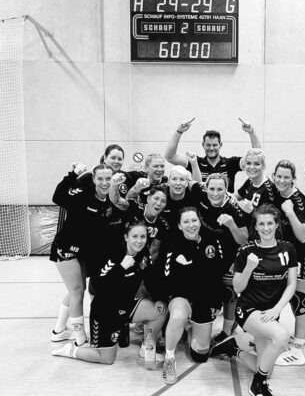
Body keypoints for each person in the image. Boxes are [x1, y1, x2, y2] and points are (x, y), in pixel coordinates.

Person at [51, 220, 167, 365]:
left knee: (160, 311)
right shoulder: (113, 253)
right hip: (105, 312)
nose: (139, 241)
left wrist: (159, 298)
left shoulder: (143, 254)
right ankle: (70, 351)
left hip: (127, 305)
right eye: (135, 236)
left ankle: (146, 349)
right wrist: (121, 268)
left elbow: (150, 279)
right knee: (106, 359)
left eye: (142, 237)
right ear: (126, 237)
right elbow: (99, 286)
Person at [214, 204, 297, 396]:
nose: (266, 228)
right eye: (261, 224)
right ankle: (258, 384)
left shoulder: (288, 249)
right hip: (248, 310)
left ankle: (233, 349)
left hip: (271, 313)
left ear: (277, 225)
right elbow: (237, 288)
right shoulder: (246, 251)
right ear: (256, 227)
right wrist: (249, 268)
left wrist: (277, 309)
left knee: (265, 367)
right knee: (282, 336)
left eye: (270, 223)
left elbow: (292, 284)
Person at [49, 163, 126, 346]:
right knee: (77, 291)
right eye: (100, 178)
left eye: (108, 179)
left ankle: (59, 330)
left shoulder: (110, 202)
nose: (104, 182)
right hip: (66, 248)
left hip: (84, 253)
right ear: (93, 179)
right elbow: (58, 197)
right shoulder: (83, 195)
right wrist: (72, 174)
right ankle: (80, 340)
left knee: (76, 289)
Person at [157, 207, 226, 385]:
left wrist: (216, 301)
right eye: (186, 222)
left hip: (204, 298)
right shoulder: (172, 243)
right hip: (181, 296)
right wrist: (164, 298)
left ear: (200, 222)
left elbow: (217, 272)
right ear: (179, 226)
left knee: (200, 355)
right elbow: (166, 277)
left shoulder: (212, 241)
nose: (191, 225)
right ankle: (169, 358)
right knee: (178, 315)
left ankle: (188, 329)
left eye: (194, 220)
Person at [189, 173, 249, 355]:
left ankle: (226, 330)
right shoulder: (199, 191)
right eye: (212, 189)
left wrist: (231, 225)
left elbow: (244, 239)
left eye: (220, 189)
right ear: (206, 188)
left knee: (229, 290)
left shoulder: (233, 208)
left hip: (228, 253)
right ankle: (194, 321)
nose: (215, 193)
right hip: (204, 249)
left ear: (226, 190)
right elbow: (186, 182)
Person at [271, 160, 305, 366]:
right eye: (279, 176)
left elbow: (303, 236)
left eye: (286, 177)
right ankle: (277, 337)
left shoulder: (298, 200)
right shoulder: (275, 192)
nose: (282, 180)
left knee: (299, 298)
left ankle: (298, 348)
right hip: (282, 255)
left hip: (302, 255)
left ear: (293, 179)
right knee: (278, 294)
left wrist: (290, 212)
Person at [164, 118, 262, 192]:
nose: (211, 148)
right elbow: (170, 157)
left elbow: (257, 155)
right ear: (203, 145)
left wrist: (251, 132)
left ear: (220, 145)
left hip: (226, 209)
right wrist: (179, 132)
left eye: (215, 145)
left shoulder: (230, 163)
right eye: (208, 145)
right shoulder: (195, 162)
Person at [235, 148, 278, 214]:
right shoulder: (250, 180)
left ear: (263, 166)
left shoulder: (269, 189)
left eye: (256, 164)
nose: (252, 167)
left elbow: (269, 218)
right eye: (248, 163)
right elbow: (234, 197)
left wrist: (252, 210)